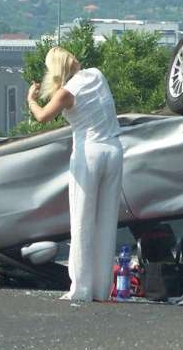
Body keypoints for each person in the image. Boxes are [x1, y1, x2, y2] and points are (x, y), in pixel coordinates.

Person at [27, 47, 123, 302]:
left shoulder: (65, 94)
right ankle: (102, 289)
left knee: (82, 220)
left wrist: (31, 99)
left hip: (88, 152)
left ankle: (80, 288)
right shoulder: (96, 75)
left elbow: (42, 117)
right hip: (114, 149)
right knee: (106, 221)